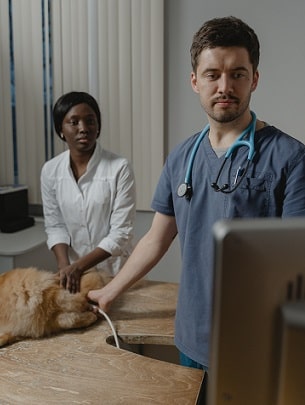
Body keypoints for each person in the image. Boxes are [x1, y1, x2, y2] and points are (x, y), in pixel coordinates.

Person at [88, 15, 305, 377]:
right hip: (191, 336)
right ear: (195, 81)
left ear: (254, 79)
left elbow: (296, 263)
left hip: (257, 341)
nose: (225, 86)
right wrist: (111, 291)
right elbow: (156, 239)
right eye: (212, 74)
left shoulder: (290, 158)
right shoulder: (181, 158)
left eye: (237, 73)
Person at [41, 91, 136, 293]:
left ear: (98, 127)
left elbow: (120, 233)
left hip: (116, 272)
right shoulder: (50, 171)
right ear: (60, 129)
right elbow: (55, 225)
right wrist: (64, 266)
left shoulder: (119, 167)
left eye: (90, 121)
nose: (83, 128)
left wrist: (78, 266)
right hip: (76, 277)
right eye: (73, 122)